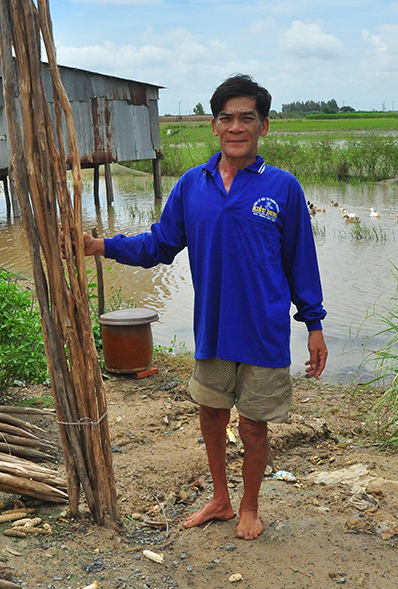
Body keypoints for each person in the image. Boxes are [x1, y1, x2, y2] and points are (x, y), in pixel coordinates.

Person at [82, 74, 327, 540]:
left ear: (263, 126)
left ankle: (249, 506)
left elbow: (302, 262)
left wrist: (314, 325)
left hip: (264, 330)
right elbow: (159, 244)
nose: (236, 127)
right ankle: (220, 498)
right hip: (212, 328)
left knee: (254, 425)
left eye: (246, 118)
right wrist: (101, 246)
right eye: (226, 118)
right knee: (212, 414)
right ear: (214, 126)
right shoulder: (192, 185)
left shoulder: (283, 188)